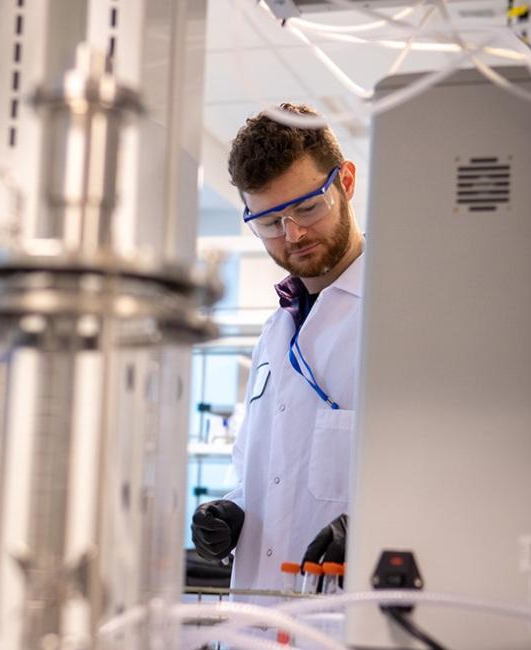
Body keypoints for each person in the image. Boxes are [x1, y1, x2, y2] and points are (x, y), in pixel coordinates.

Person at [191, 103, 363, 592]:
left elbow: (448, 469)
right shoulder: (275, 332)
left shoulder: (401, 315)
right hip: (256, 616)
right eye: (268, 221)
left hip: (338, 620)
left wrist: (376, 523)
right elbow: (265, 473)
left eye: (308, 207)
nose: (294, 235)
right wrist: (230, 510)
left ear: (345, 182)